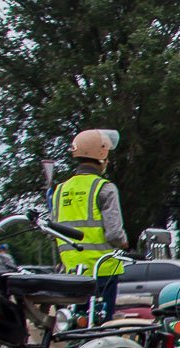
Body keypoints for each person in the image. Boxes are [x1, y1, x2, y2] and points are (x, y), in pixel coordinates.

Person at [50, 128, 128, 319]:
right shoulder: (104, 188)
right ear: (101, 155)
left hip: (72, 273)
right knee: (99, 330)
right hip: (102, 271)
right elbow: (115, 235)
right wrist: (125, 244)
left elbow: (53, 230)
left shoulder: (60, 190)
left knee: (74, 325)